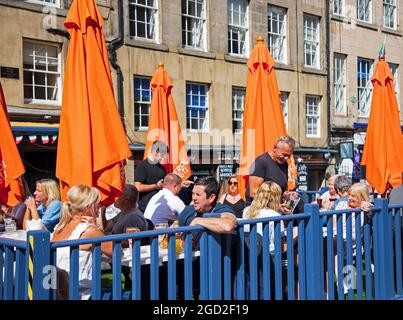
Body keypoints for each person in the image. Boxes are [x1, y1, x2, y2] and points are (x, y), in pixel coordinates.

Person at [51, 185, 113, 300]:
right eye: (98, 203)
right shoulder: (89, 230)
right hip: (80, 293)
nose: (100, 206)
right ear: (88, 207)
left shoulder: (59, 227)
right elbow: (117, 253)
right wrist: (96, 227)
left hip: (58, 290)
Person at [246, 136, 296, 203]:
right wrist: (276, 206)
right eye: (284, 155)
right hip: (258, 209)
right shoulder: (260, 162)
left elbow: (282, 191)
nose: (286, 158)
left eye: (289, 156)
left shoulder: (284, 164)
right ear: (275, 148)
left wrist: (287, 195)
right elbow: (254, 193)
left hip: (276, 208)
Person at [134, 141, 168, 213]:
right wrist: (156, 186)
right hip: (146, 208)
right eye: (163, 154)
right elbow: (138, 187)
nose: (164, 157)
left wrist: (180, 184)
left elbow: (166, 185)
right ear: (156, 151)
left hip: (160, 207)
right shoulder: (142, 166)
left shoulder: (162, 168)